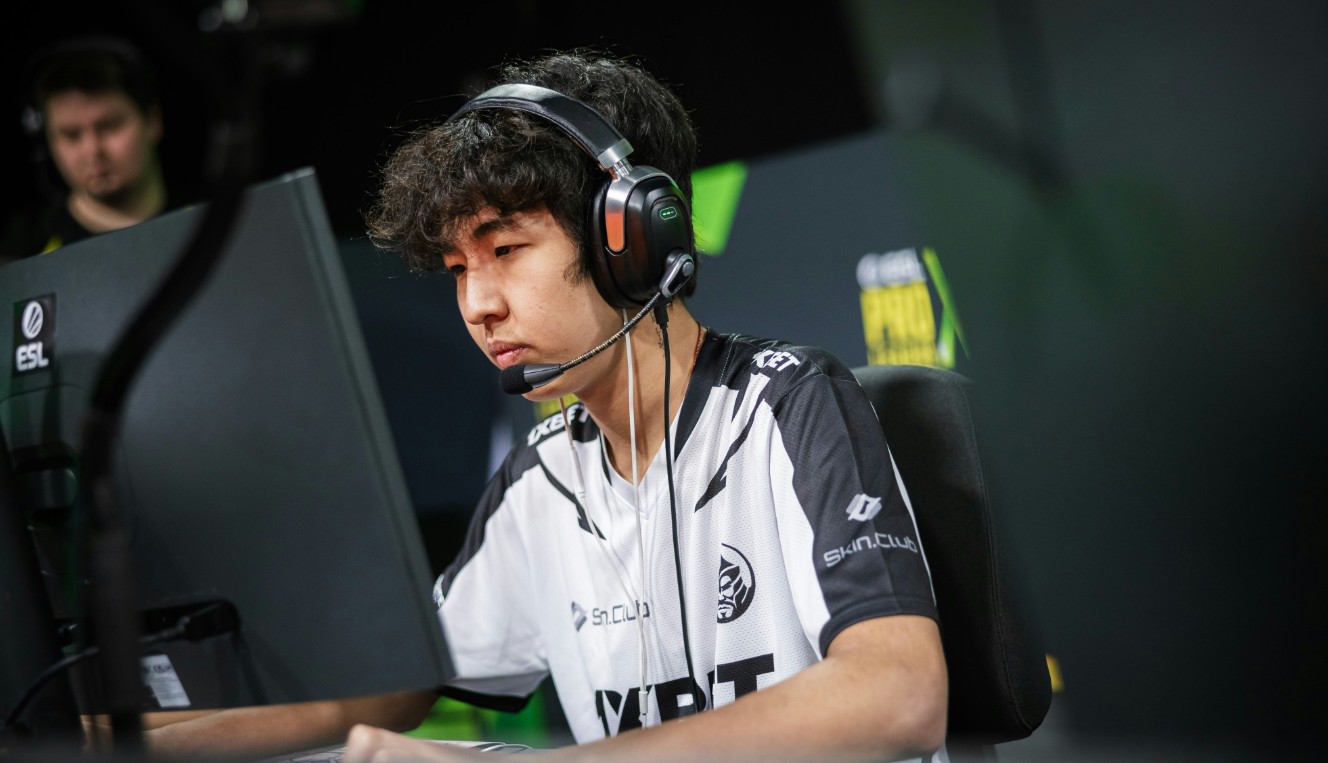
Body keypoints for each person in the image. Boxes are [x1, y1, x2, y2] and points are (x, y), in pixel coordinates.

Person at [147, 48, 949, 763]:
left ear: (628, 238)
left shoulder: (791, 404)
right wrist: (122, 738)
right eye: (458, 268)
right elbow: (392, 693)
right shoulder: (542, 477)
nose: (478, 304)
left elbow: (899, 694)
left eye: (504, 249)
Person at [0, 35, 168, 263]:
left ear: (153, 120)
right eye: (71, 135)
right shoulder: (18, 253)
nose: (93, 150)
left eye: (109, 126)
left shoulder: (209, 218)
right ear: (46, 141)